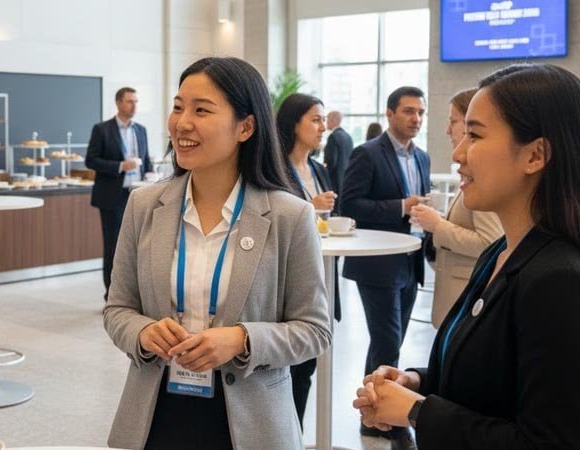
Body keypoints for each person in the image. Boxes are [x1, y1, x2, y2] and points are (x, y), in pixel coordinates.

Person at [103, 57, 331, 450]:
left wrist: (242, 340)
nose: (182, 123)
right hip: (155, 415)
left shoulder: (290, 216)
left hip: (252, 422)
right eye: (178, 107)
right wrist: (142, 332)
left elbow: (315, 330)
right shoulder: (144, 206)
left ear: (245, 126)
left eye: (201, 110)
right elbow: (117, 308)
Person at [354, 62, 580, 450]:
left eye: (474, 135)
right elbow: (493, 381)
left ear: (535, 155)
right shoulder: (503, 252)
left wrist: (417, 412)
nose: (458, 153)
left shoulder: (558, 279)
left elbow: (547, 440)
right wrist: (417, 382)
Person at [340, 86, 430, 448]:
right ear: (390, 114)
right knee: (388, 341)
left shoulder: (421, 157)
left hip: (411, 259)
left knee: (387, 344)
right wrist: (400, 206)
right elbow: (350, 205)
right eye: (409, 111)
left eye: (420, 113)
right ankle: (385, 421)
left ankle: (374, 412)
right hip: (377, 264)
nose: (416, 119)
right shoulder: (367, 154)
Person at [410, 89, 503, 327]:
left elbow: (490, 242)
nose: (448, 131)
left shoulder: (484, 178)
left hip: (466, 296)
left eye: (453, 121)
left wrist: (438, 225)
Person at [275, 93, 340, 427]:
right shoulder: (274, 169)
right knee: (285, 370)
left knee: (307, 368)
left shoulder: (318, 168)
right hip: (285, 280)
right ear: (293, 123)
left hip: (320, 273)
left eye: (324, 120)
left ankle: (294, 436)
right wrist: (309, 207)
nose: (323, 127)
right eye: (315, 119)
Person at [85, 87, 153, 301]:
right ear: (118, 103)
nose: (134, 106)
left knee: (139, 246)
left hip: (139, 194)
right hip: (112, 196)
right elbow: (91, 160)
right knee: (113, 246)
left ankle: (135, 295)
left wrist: (152, 175)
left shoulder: (140, 130)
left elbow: (147, 160)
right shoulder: (102, 129)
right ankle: (112, 295)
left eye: (136, 101)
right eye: (129, 101)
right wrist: (120, 166)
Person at [323, 110, 354, 194]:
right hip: (345, 179)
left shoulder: (333, 136)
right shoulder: (348, 137)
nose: (326, 123)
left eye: (327, 120)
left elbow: (331, 161)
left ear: (333, 120)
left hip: (334, 180)